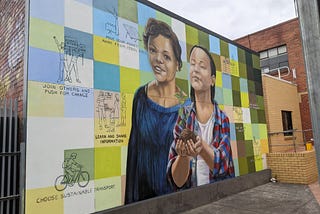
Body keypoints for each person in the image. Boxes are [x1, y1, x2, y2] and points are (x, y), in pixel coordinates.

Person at [125, 18, 188, 204]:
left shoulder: (187, 107)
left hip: (173, 202)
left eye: (166, 56)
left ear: (177, 64)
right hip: (141, 201)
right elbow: (133, 155)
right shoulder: (140, 97)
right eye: (153, 50)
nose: (158, 59)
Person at [167, 45, 235, 189]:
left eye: (202, 66)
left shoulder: (223, 119)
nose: (195, 69)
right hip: (191, 199)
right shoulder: (183, 117)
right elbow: (177, 181)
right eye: (192, 64)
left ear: (212, 80)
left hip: (218, 196)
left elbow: (222, 166)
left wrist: (201, 147)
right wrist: (183, 156)